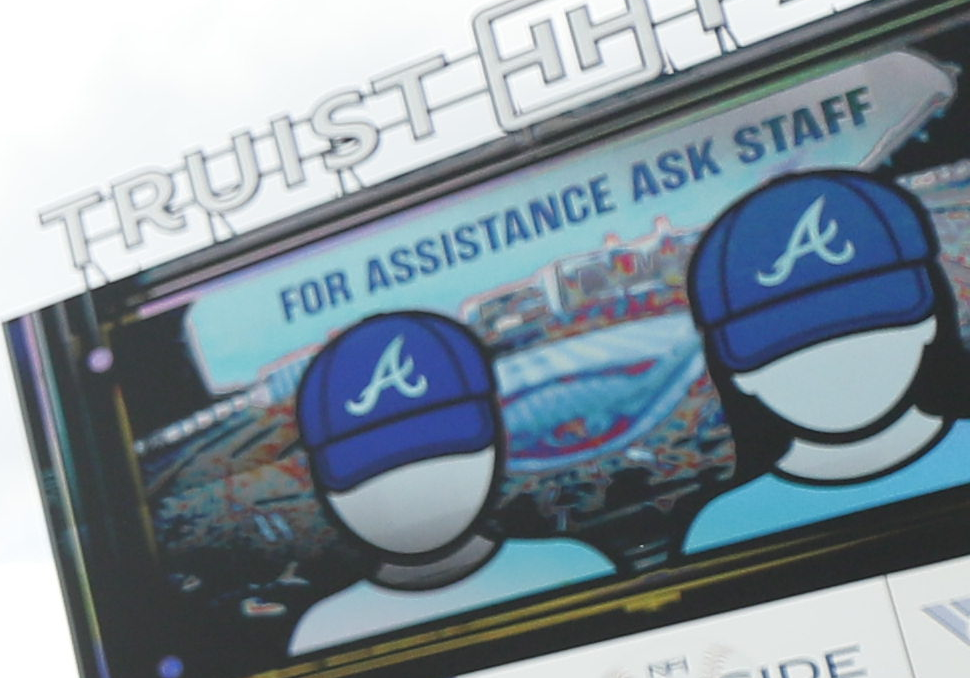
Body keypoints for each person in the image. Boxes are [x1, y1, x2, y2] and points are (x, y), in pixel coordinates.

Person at [274, 311, 610, 648]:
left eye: (438, 452)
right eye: (379, 469)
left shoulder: (575, 567)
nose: (410, 483)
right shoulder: (323, 631)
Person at [675, 170, 970, 553]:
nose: (833, 356)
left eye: (868, 320)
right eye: (784, 345)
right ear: (738, 375)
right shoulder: (721, 527)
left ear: (930, 319)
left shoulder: (726, 523)